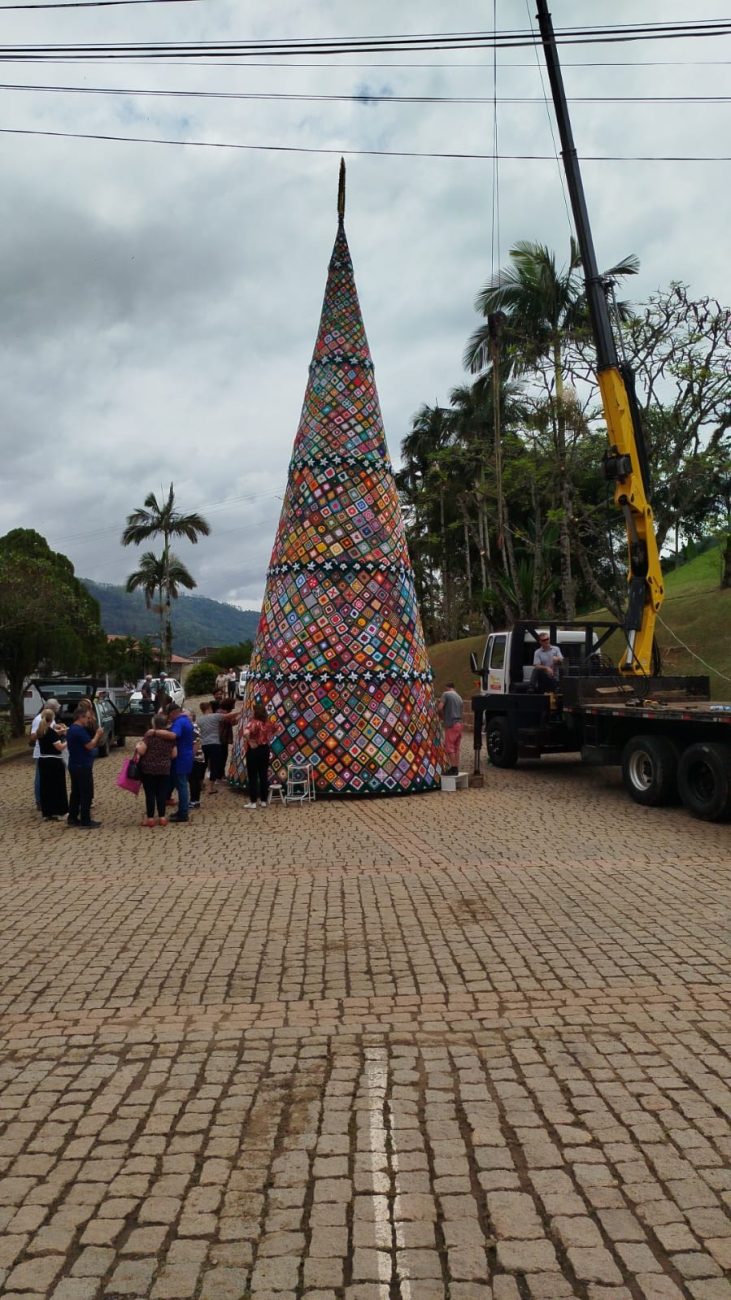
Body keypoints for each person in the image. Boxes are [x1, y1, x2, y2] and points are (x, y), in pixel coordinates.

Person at [134, 712, 177, 827]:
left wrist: (138, 746)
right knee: (162, 793)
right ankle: (162, 818)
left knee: (150, 794)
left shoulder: (149, 736)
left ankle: (150, 819)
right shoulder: (170, 738)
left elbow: (142, 751)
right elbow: (174, 754)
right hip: (164, 769)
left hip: (148, 769)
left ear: (154, 724)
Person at [66, 704, 104, 828]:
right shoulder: (79, 731)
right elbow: (90, 745)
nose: (89, 720)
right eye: (87, 718)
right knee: (86, 793)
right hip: (82, 765)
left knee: (76, 792)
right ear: (80, 717)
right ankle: (85, 820)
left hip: (74, 764)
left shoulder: (72, 729)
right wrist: (98, 734)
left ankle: (72, 817)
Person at [242, 701, 279, 810]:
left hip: (254, 750)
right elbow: (277, 729)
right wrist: (269, 737)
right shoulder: (267, 723)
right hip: (265, 749)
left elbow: (246, 733)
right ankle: (263, 800)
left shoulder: (253, 722)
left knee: (253, 775)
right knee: (263, 775)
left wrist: (251, 741)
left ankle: (253, 801)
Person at [30, 697, 62, 810]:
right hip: (41, 752)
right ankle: (39, 800)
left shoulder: (49, 718)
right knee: (40, 778)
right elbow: (33, 736)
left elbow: (50, 728)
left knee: (47, 778)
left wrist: (56, 728)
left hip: (49, 752)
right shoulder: (38, 719)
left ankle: (47, 799)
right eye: (54, 710)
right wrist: (46, 734)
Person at [36, 707, 69, 821]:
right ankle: (60, 811)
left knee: (46, 787)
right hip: (54, 761)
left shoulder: (40, 731)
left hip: (43, 760)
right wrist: (66, 741)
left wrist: (58, 732)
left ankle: (47, 812)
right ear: (52, 718)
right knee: (58, 786)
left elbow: (50, 736)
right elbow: (59, 747)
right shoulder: (51, 733)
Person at [166, 703, 195, 823]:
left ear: (173, 713)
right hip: (187, 756)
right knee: (181, 785)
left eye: (169, 715)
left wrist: (156, 732)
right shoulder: (186, 720)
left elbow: (174, 735)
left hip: (180, 758)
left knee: (182, 785)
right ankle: (182, 811)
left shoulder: (178, 722)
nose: (169, 718)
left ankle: (183, 813)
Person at [198, 700, 225, 791]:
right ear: (209, 708)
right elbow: (228, 716)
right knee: (214, 766)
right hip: (215, 744)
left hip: (204, 745)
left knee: (203, 765)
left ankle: (201, 784)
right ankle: (211, 788)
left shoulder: (199, 720)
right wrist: (239, 712)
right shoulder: (215, 716)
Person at [439, 682, 463, 776]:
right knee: (457, 748)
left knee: (449, 747)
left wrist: (441, 717)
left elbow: (440, 707)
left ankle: (453, 768)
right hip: (459, 724)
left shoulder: (446, 694)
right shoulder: (459, 697)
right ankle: (456, 767)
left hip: (451, 724)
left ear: (447, 688)